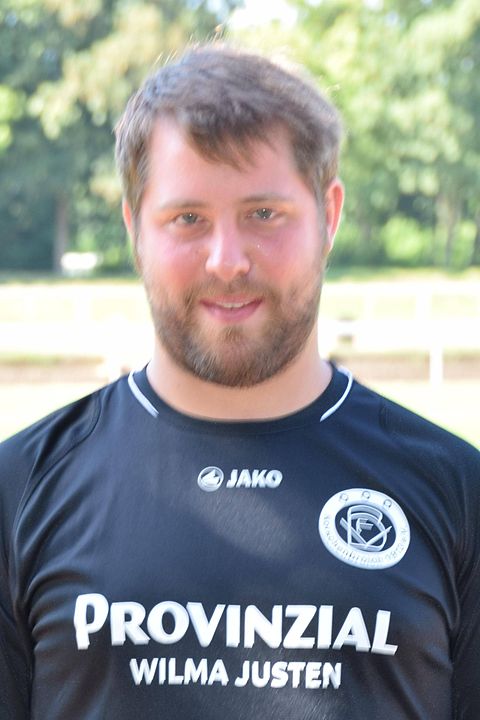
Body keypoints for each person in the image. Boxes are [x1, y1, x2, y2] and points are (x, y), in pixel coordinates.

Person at [0, 45, 479, 720]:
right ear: (135, 228)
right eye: (188, 219)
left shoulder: (457, 491)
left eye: (263, 214)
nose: (227, 261)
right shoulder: (20, 490)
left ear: (329, 216)